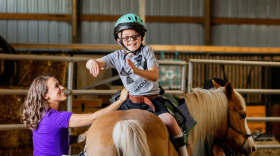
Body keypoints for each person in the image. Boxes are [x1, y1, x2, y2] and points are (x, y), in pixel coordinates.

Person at [86, 13, 189, 156]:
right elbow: (95, 61)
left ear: (141, 37)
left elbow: (154, 75)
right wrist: (92, 62)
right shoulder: (117, 56)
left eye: (135, 36)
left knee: (171, 121)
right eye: (126, 37)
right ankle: (86, 150)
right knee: (102, 122)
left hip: (151, 101)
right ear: (119, 40)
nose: (132, 40)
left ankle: (184, 153)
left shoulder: (147, 51)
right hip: (130, 101)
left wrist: (137, 70)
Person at [20, 75, 128, 156]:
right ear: (45, 95)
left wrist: (85, 136)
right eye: (56, 86)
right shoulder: (56, 118)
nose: (62, 87)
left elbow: (61, 140)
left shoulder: (43, 114)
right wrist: (120, 101)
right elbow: (93, 117)